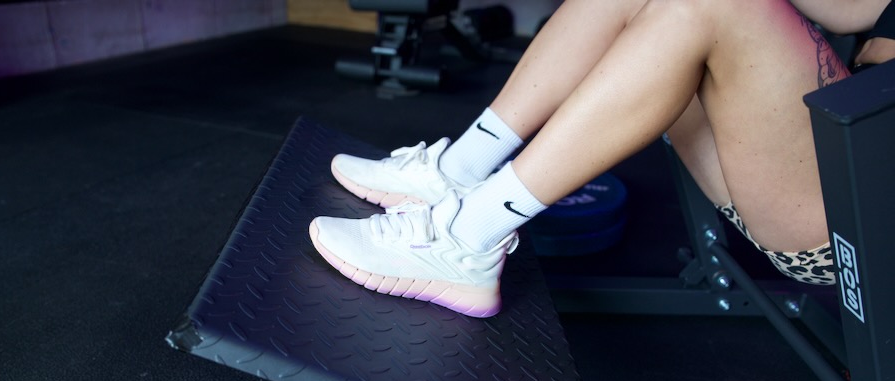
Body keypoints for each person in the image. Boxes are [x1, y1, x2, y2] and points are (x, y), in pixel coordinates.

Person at [310, 0, 895, 318]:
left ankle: (468, 237)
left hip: (866, 209)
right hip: (824, 155)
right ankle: (457, 173)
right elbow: (850, 8)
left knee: (715, 5)